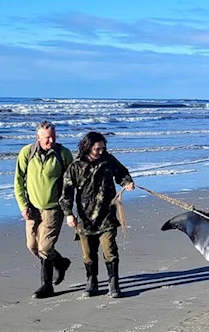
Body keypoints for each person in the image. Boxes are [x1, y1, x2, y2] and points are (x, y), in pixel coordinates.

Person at [60, 131, 135, 298]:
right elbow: (66, 192)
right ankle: (91, 281)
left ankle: (113, 283)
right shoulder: (75, 166)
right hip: (85, 219)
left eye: (103, 147)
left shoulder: (108, 160)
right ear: (87, 147)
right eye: (97, 149)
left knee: (110, 250)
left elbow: (122, 173)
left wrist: (127, 182)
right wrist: (68, 214)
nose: (101, 151)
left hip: (107, 215)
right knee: (88, 254)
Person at [13, 121, 74, 299]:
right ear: (37, 137)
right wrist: (23, 205)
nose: (51, 140)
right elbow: (18, 181)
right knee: (32, 246)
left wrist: (69, 208)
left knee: (45, 247)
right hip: (32, 209)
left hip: (54, 208)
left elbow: (72, 182)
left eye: (54, 136)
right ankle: (61, 263)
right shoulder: (27, 153)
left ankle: (46, 286)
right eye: (47, 137)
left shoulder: (63, 154)